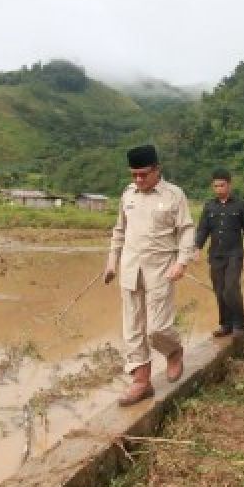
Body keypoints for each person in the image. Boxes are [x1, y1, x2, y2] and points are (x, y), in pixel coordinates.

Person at [103, 145, 195, 406]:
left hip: (161, 271)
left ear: (157, 170)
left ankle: (174, 351)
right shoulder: (128, 195)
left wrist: (182, 262)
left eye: (143, 174)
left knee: (157, 328)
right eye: (134, 175)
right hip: (131, 271)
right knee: (132, 328)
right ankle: (142, 382)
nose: (138, 180)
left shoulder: (174, 196)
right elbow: (119, 230)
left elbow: (187, 231)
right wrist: (112, 262)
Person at [194, 168, 244, 339]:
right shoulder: (209, 206)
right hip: (215, 254)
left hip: (234, 254)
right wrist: (197, 247)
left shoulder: (240, 205)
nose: (218, 189)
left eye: (222, 185)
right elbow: (203, 229)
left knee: (231, 289)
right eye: (215, 186)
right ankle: (226, 324)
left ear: (229, 185)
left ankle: (239, 324)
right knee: (219, 290)